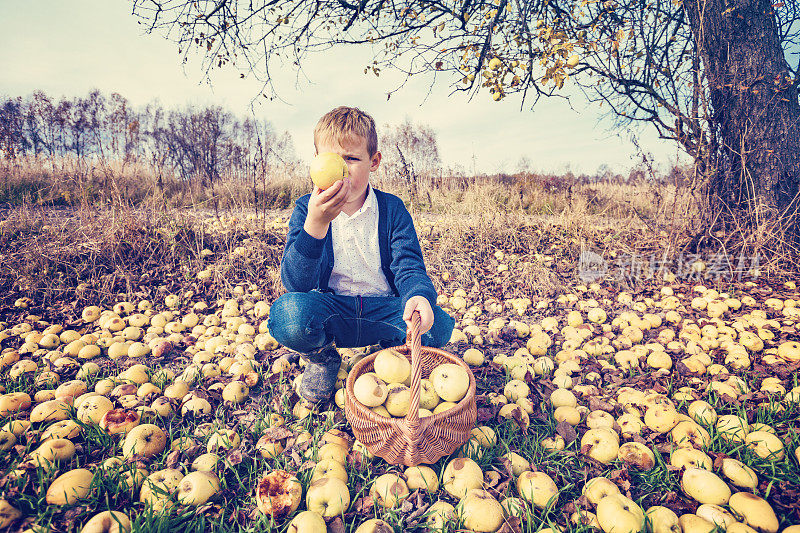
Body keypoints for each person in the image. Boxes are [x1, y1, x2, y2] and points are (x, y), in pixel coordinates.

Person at [267, 106, 455, 404]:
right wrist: (316, 225)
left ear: (374, 161)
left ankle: (389, 355)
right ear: (316, 163)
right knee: (288, 314)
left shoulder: (392, 209)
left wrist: (418, 296)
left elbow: (409, 265)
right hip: (333, 313)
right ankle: (323, 360)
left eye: (352, 159)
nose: (341, 169)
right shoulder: (307, 209)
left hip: (383, 310)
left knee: (439, 326)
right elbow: (296, 284)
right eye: (331, 160)